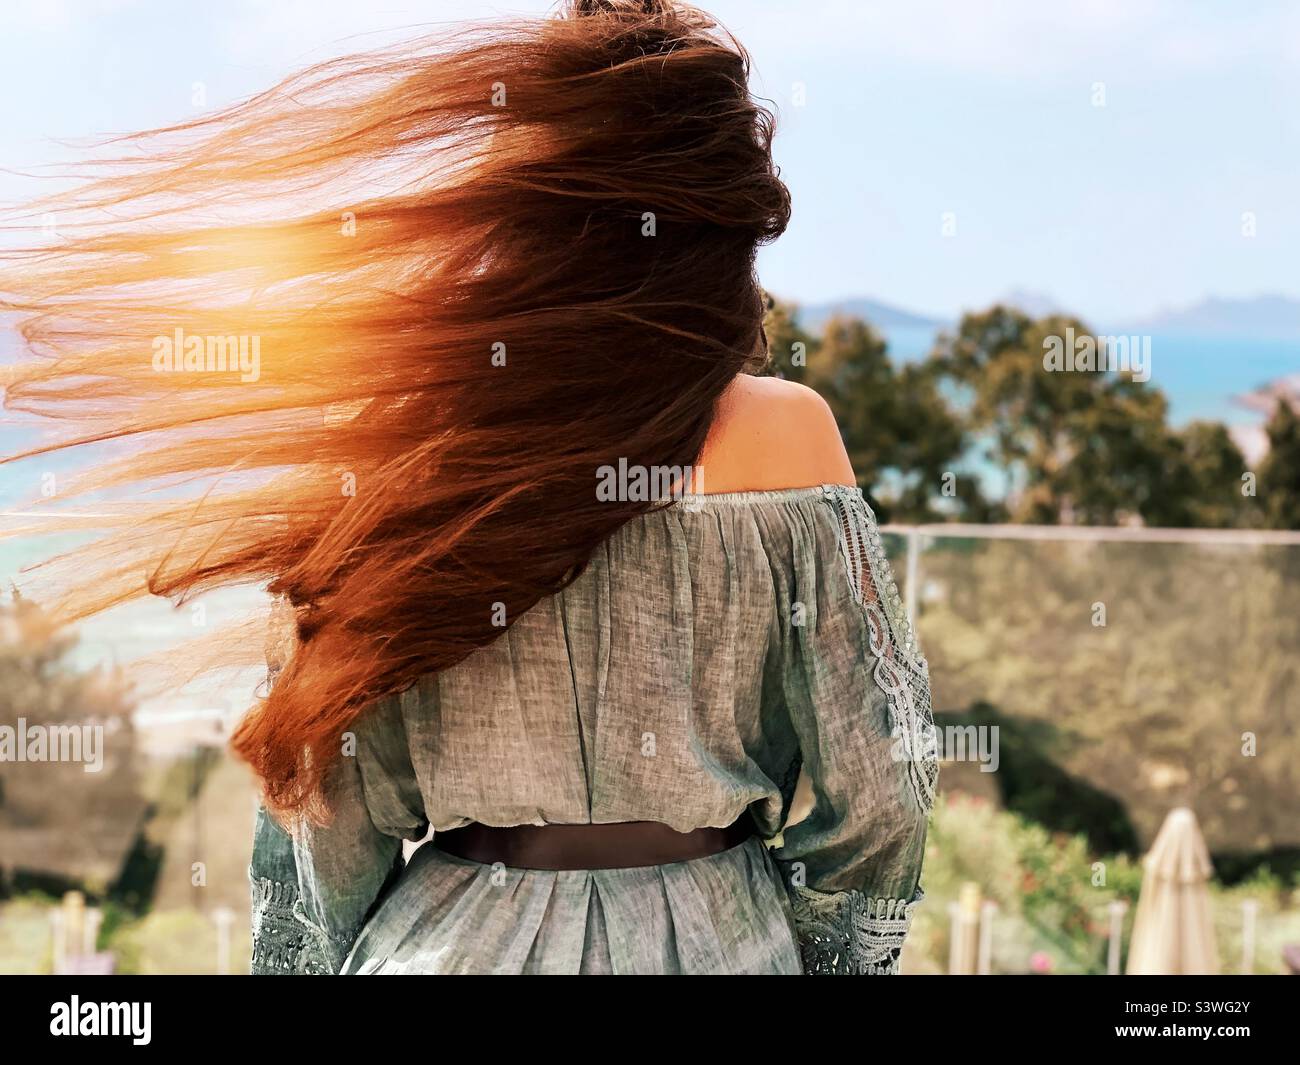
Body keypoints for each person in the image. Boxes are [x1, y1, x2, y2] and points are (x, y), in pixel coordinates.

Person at [0, 0, 935, 975]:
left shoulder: (416, 437)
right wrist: (808, 953)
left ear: (525, 201)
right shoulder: (788, 434)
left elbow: (325, 808)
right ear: (720, 226)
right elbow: (883, 793)